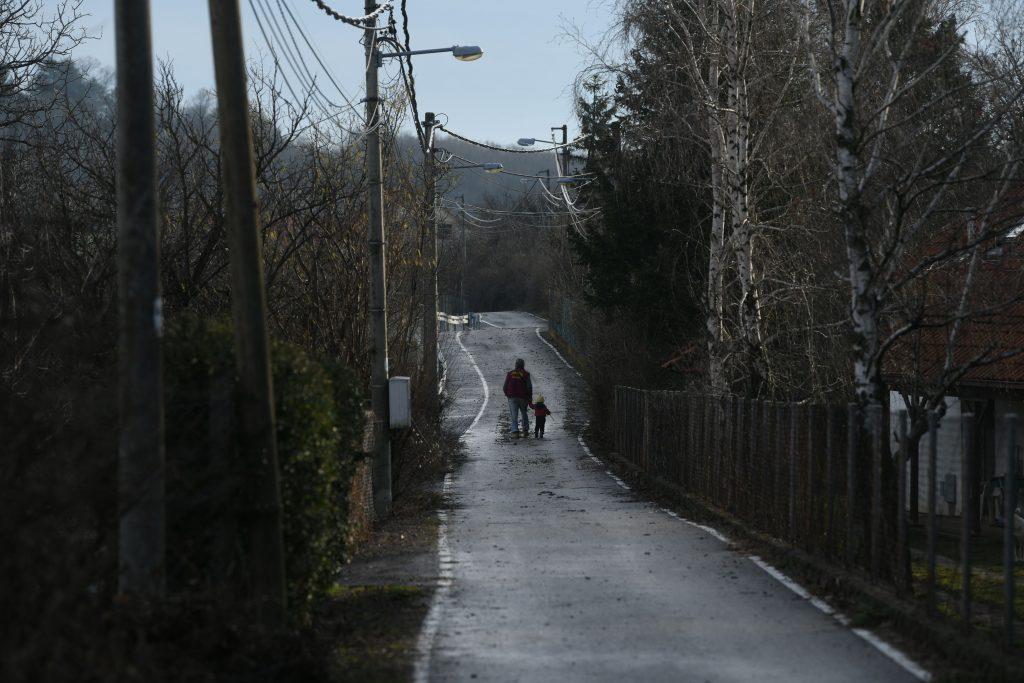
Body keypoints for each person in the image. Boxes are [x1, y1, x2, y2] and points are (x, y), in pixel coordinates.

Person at [503, 358, 532, 438]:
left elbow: (505, 386)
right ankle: (525, 430)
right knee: (524, 412)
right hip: (523, 397)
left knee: (514, 415)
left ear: (516, 365)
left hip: (512, 397)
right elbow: (529, 387)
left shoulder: (510, 374)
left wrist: (507, 395)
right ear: (523, 365)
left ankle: (515, 432)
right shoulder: (526, 374)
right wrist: (530, 397)